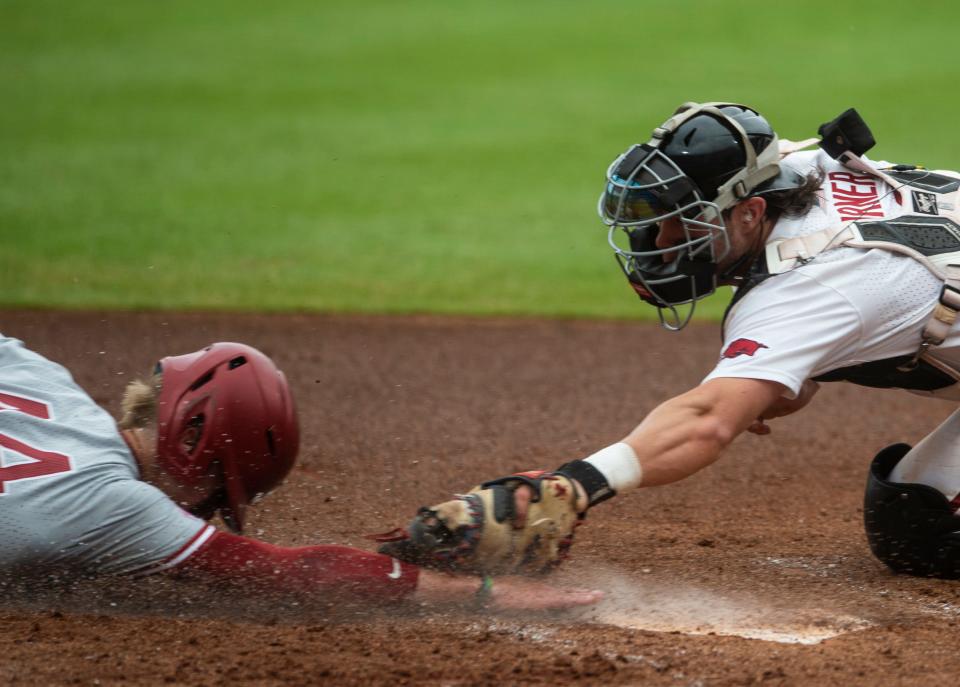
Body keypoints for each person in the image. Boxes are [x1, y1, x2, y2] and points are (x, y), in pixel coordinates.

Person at [511, 102, 960, 579]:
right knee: (913, 510)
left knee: (921, 530)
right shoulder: (808, 168)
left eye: (685, 221)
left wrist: (576, 486)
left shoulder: (807, 288)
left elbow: (707, 421)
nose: (663, 241)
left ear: (750, 212)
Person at [0, 334, 602, 609]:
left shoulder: (35, 371)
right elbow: (285, 572)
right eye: (220, 482)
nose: (209, 506)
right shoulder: (115, 505)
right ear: (189, 438)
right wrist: (483, 591)